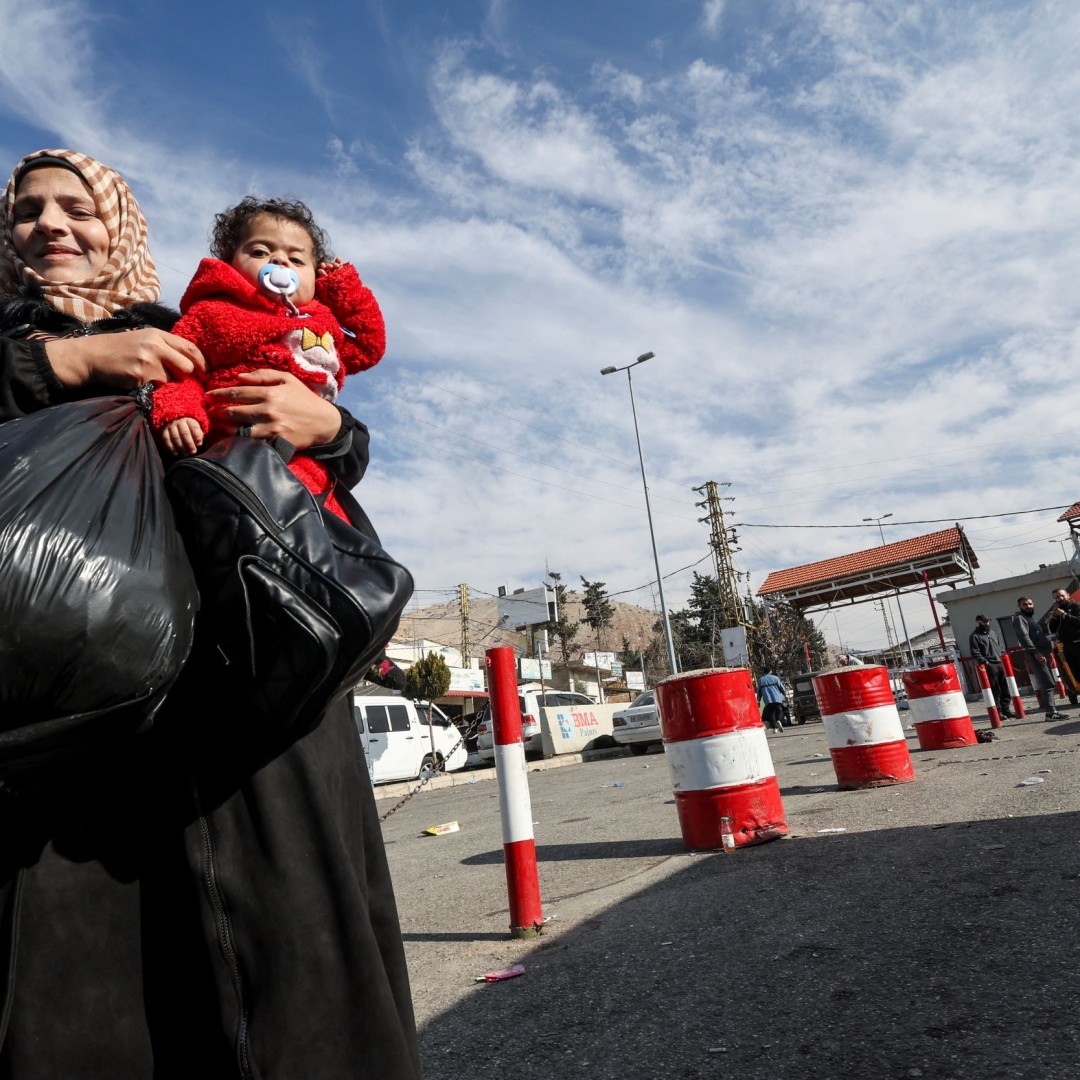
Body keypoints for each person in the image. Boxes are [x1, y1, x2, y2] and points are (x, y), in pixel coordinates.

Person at [0, 149, 421, 1079]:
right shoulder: (15, 334)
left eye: (80, 207)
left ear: (123, 227)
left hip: (226, 698)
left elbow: (279, 457)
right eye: (28, 210)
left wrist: (338, 432)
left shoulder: (182, 330)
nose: (53, 225)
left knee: (275, 961)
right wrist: (61, 361)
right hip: (49, 734)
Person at [151, 196, 385, 521]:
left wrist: (344, 289)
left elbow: (368, 347)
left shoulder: (323, 322)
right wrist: (180, 413)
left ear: (316, 277)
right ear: (230, 263)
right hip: (231, 452)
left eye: (297, 259)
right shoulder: (214, 313)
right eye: (260, 252)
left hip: (311, 463)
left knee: (322, 536)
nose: (280, 261)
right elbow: (180, 369)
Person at [1012, 596, 1068, 721]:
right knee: (1046, 682)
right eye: (1025, 604)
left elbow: (1036, 636)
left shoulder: (1029, 619)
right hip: (1036, 654)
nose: (1028, 606)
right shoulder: (1020, 618)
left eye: (1030, 604)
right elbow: (1024, 637)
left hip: (1042, 652)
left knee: (1048, 682)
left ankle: (1052, 712)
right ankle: (1051, 713)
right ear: (1019, 606)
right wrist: (1036, 653)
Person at [968, 614, 1014, 719]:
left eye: (987, 621)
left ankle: (1006, 710)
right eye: (984, 621)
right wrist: (985, 663)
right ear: (978, 622)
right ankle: (998, 712)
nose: (986, 623)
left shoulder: (993, 633)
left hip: (999, 663)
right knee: (995, 689)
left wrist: (1003, 656)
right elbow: (975, 652)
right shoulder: (975, 636)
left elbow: (1000, 646)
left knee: (1005, 688)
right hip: (989, 665)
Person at [1047, 587, 1080, 706]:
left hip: (1078, 643)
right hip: (1067, 646)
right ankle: (1074, 692)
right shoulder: (1057, 611)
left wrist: (1064, 615)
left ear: (1068, 595)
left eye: (1062, 596)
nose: (1060, 599)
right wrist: (1055, 617)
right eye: (1057, 597)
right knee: (1073, 672)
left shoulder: (1076, 606)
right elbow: (1052, 629)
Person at [757, 667, 787, 732]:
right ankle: (778, 721)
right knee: (779, 711)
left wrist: (758, 700)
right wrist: (785, 694)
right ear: (770, 671)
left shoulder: (761, 680)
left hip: (768, 700)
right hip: (777, 698)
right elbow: (781, 687)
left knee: (771, 713)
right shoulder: (775, 678)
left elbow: (759, 691)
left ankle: (775, 728)